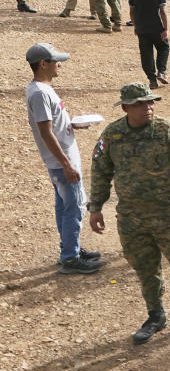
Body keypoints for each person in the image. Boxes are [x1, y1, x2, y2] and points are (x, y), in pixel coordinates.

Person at [88, 83, 170, 344]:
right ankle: (155, 316)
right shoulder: (112, 135)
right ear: (125, 107)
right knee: (145, 268)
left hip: (169, 215)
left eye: (150, 102)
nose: (147, 107)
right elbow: (100, 171)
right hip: (132, 218)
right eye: (139, 103)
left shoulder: (166, 130)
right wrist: (95, 207)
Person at [25, 43, 103, 275]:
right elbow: (46, 132)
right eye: (56, 61)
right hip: (62, 163)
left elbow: (53, 127)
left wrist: (71, 125)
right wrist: (66, 165)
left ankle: (71, 249)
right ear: (43, 64)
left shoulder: (42, 89)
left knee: (64, 207)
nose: (60, 65)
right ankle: (70, 258)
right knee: (74, 209)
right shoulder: (39, 92)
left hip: (60, 161)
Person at [128, 0, 170, 89]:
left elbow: (132, 12)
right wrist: (165, 28)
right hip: (156, 27)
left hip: (142, 28)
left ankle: (152, 80)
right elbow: (162, 12)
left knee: (146, 54)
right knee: (163, 47)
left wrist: (135, 26)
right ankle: (161, 71)